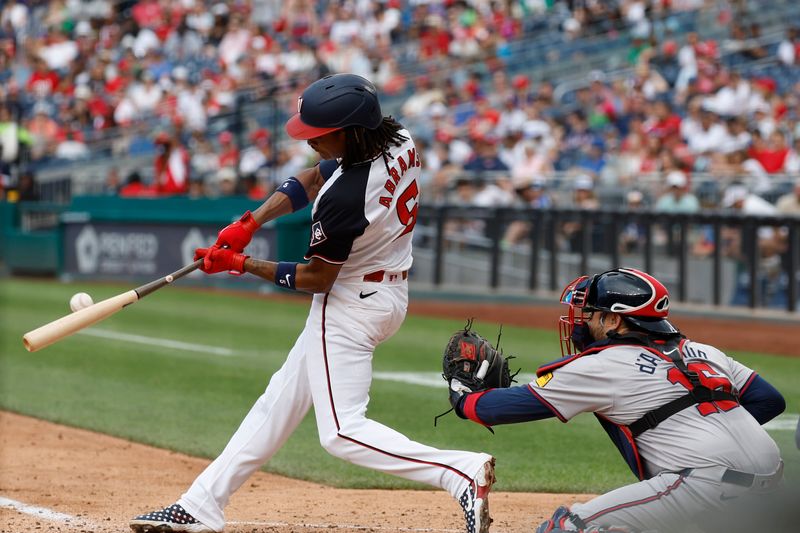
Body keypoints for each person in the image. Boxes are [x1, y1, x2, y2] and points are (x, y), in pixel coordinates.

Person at [129, 73, 495, 533]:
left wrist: (243, 264)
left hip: (348, 302)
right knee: (277, 403)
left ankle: (459, 472)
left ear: (348, 131)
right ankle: (202, 503)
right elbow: (311, 178)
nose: (311, 142)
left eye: (319, 135)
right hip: (386, 291)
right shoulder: (396, 137)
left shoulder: (345, 198)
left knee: (341, 433)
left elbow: (317, 278)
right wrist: (251, 220)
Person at [446, 268, 785, 533]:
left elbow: (492, 408)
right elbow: (769, 400)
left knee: (565, 527)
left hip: (701, 485)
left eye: (590, 314)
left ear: (614, 320)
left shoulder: (604, 364)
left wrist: (461, 392)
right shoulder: (703, 351)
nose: (582, 322)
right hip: (773, 483)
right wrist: (707, 433)